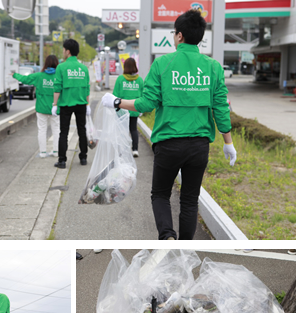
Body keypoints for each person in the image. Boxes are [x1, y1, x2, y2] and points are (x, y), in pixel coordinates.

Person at [101, 9, 236, 240]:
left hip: (169, 144)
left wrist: (116, 101)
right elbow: (220, 108)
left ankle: (167, 237)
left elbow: (146, 104)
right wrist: (228, 143)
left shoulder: (163, 63)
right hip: (199, 145)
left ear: (180, 36)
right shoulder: (213, 67)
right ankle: (184, 246)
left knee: (161, 195)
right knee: (190, 199)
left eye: (175, 33)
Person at [52, 39, 91, 169]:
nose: (63, 52)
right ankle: (84, 157)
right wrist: (88, 104)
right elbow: (86, 88)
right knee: (82, 130)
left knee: (64, 132)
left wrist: (54, 104)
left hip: (65, 104)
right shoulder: (84, 68)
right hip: (81, 103)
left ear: (67, 51)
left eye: (63, 50)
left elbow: (57, 87)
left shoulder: (61, 67)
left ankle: (62, 161)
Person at [13, 55, 60, 157]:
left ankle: (43, 152)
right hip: (56, 108)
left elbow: (25, 79)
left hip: (41, 107)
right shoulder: (59, 76)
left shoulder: (39, 76)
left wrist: (14, 75)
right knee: (56, 129)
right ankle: (56, 151)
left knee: (42, 129)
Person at [112, 58, 145, 157]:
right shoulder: (139, 80)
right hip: (135, 108)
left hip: (122, 110)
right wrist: (141, 109)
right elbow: (143, 95)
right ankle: (135, 149)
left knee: (123, 131)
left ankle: (123, 150)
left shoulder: (120, 79)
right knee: (133, 129)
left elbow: (115, 95)